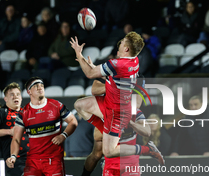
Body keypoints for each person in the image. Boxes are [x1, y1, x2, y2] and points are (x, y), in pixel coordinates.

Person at [70, 32, 164, 165]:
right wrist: (94, 67)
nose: (119, 44)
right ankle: (105, 130)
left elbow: (89, 74)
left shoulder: (117, 64)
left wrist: (79, 55)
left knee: (108, 151)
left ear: (126, 49)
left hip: (117, 112)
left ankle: (146, 149)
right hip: (109, 103)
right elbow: (111, 77)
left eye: (123, 42)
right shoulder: (134, 61)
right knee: (79, 105)